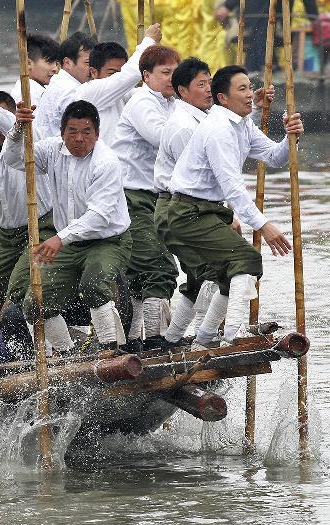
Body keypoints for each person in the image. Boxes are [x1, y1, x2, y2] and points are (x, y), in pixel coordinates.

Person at [167, 65, 304, 348]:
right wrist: (263, 225)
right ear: (223, 98)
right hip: (188, 212)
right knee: (247, 260)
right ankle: (232, 335)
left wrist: (291, 136)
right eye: (241, 89)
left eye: (249, 87)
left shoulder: (242, 124)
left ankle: (205, 337)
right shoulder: (219, 129)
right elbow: (232, 186)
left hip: (208, 211)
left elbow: (274, 156)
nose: (250, 95)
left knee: (229, 274)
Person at [3, 100, 132, 354]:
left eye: (86, 132)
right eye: (72, 131)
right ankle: (67, 354)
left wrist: (59, 238)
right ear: (62, 133)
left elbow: (99, 215)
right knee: (34, 304)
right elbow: (14, 158)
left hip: (107, 240)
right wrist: (18, 127)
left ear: (97, 133)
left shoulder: (106, 162)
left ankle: (110, 350)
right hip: (69, 242)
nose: (79, 139)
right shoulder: (51, 150)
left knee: (93, 285)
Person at [0, 90, 62, 354]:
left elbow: (12, 126)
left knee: (23, 290)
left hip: (40, 226)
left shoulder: (29, 140)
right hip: (6, 236)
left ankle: (58, 353)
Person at [110, 45, 180, 351]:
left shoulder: (173, 104)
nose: (171, 79)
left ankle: (138, 338)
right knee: (158, 267)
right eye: (165, 73)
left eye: (176, 74)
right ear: (146, 75)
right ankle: (153, 340)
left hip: (160, 198)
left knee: (144, 272)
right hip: (131, 197)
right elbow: (163, 138)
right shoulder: (142, 102)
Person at [152, 57, 218, 348]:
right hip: (179, 208)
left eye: (210, 83)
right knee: (213, 272)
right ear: (182, 91)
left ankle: (173, 339)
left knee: (196, 277)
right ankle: (206, 340)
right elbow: (195, 183)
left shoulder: (205, 117)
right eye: (200, 84)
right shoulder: (184, 127)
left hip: (190, 207)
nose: (208, 89)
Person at [68, 26, 160, 146]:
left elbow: (151, 92)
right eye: (112, 73)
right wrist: (149, 40)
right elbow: (129, 75)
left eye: (121, 72)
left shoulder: (124, 93)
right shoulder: (88, 93)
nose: (118, 78)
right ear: (93, 72)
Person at [33, 31, 96, 140]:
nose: (93, 68)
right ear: (67, 63)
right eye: (88, 63)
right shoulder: (69, 91)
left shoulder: (58, 82)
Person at [8, 33, 59, 107]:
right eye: (49, 62)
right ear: (28, 63)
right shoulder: (30, 94)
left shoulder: (38, 90)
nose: (56, 69)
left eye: (57, 63)